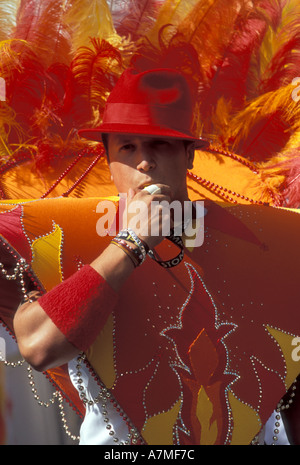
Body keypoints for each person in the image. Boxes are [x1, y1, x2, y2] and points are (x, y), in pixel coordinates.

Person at [9, 67, 300, 445]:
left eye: (160, 144)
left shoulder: (260, 240)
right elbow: (39, 347)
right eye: (127, 147)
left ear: (189, 156)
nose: (144, 161)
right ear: (108, 159)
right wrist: (131, 243)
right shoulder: (63, 237)